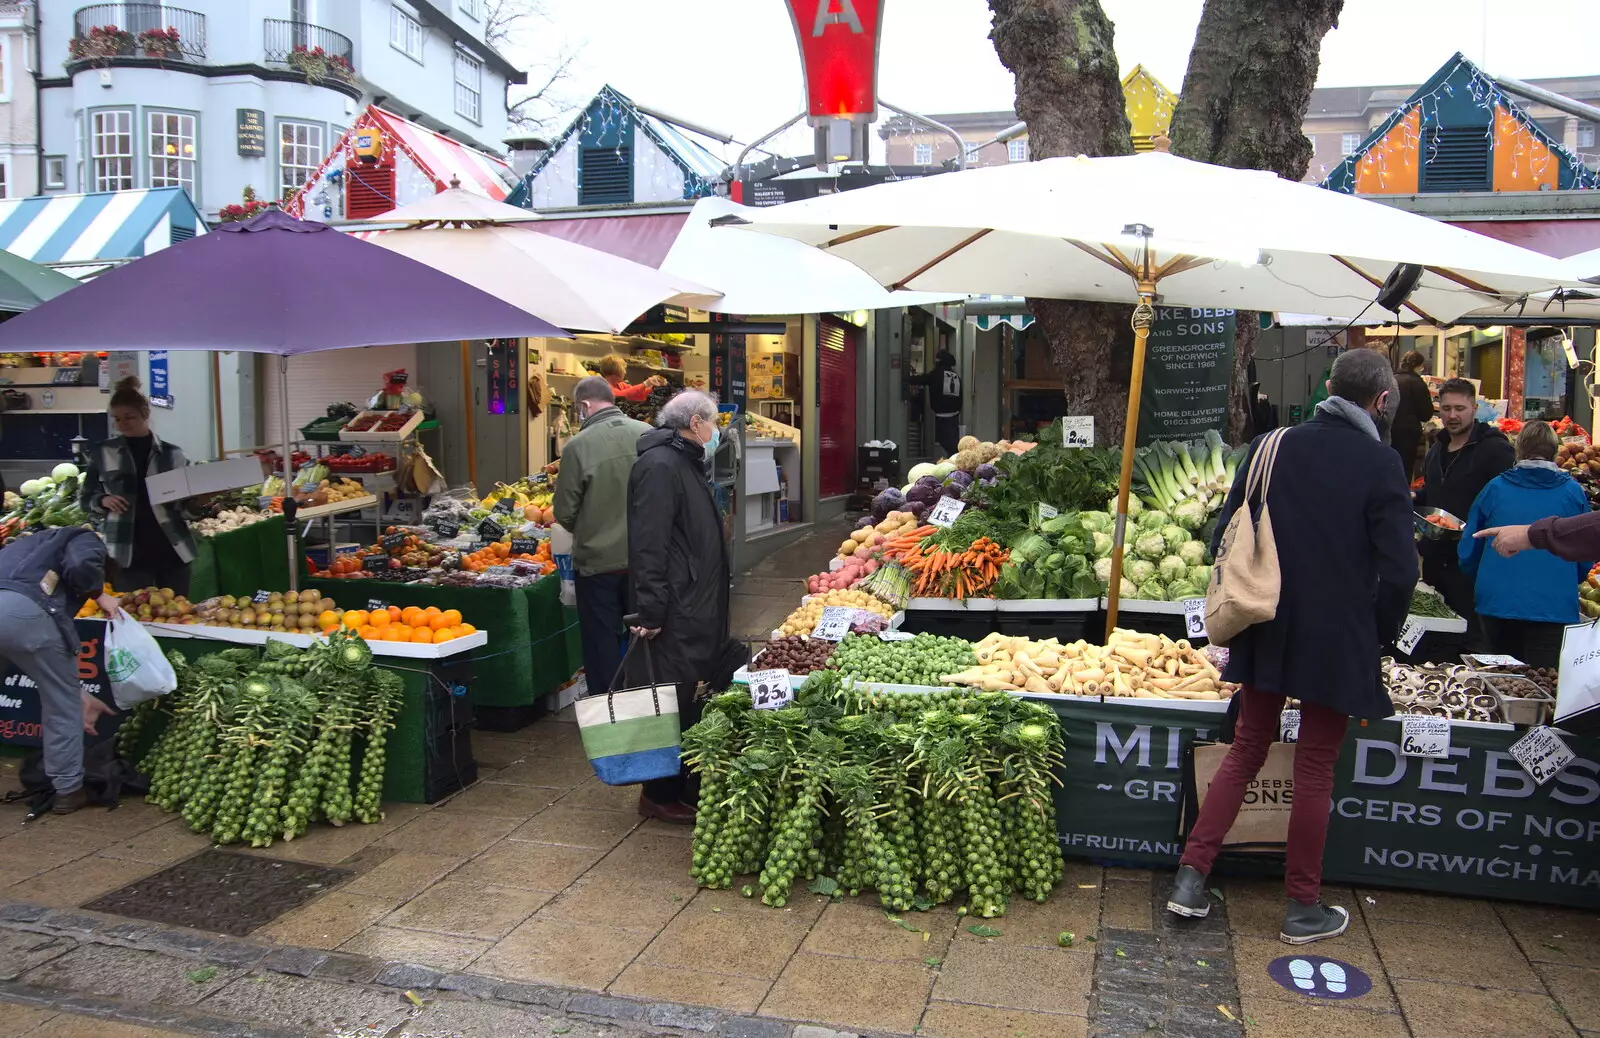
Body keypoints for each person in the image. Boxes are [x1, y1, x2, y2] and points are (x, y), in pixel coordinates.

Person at [1165, 349, 1416, 944]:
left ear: (1328, 389)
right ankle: (1303, 907)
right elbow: (1401, 570)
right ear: (1381, 401)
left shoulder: (1271, 446)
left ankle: (1190, 879)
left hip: (1266, 621)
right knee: (1315, 767)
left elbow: (1225, 529)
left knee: (1247, 748)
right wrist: (1379, 629)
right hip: (1339, 633)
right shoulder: (1381, 463)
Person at [626, 390, 733, 824]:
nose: (716, 431)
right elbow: (647, 544)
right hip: (676, 607)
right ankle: (658, 792)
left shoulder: (684, 461)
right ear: (694, 423)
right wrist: (650, 611)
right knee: (670, 697)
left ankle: (683, 781)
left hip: (695, 601)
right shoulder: (659, 466)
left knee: (690, 694)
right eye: (712, 422)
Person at [0, 527, 122, 813]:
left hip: (11, 606)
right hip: (26, 612)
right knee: (61, 703)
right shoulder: (84, 536)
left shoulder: (23, 546)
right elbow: (81, 563)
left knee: (63, 691)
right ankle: (68, 789)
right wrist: (98, 593)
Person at [1458, 422, 1589, 668]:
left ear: (1518, 449)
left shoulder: (1495, 489)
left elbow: (1470, 548)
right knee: (1544, 682)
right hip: (1553, 605)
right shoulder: (1573, 493)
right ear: (1554, 451)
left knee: (1500, 679)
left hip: (1498, 602)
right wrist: (1568, 579)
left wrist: (1487, 578)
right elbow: (1585, 549)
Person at [554, 377, 651, 697]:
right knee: (647, 637)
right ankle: (650, 704)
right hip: (646, 560)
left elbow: (564, 512)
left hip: (598, 565)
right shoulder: (646, 435)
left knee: (601, 645)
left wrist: (592, 525)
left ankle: (608, 711)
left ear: (584, 406)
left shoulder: (577, 447)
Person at [78, 377, 196, 595]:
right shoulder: (103, 453)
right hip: (126, 553)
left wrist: (202, 502)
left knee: (177, 616)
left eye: (129, 417)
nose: (123, 423)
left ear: (146, 414)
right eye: (117, 418)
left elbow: (186, 508)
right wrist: (103, 500)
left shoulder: (174, 455)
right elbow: (85, 500)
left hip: (171, 550)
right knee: (133, 616)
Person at [1413, 378, 1513, 629]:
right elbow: (1434, 491)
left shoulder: (1495, 450)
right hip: (1435, 557)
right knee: (1438, 628)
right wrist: (1414, 499)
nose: (1452, 415)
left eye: (1460, 408)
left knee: (1471, 633)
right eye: (1446, 409)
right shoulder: (1436, 448)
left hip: (1473, 562)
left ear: (1474, 409)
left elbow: (1504, 502)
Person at [908, 350, 962, 457]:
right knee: (953, 442)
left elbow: (923, 379)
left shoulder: (937, 373)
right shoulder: (955, 376)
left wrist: (907, 378)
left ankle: (954, 462)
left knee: (945, 441)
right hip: (954, 414)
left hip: (942, 415)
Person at [1391, 351, 1434, 481]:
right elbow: (1425, 413)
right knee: (1405, 468)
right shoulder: (1417, 383)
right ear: (1418, 366)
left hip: (1389, 430)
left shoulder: (1392, 380)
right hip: (1408, 433)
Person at [597, 354, 667, 404]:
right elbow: (620, 396)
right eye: (624, 369)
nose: (625, 372)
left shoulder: (620, 384)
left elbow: (637, 394)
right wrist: (645, 384)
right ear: (616, 370)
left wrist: (654, 386)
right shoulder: (603, 386)